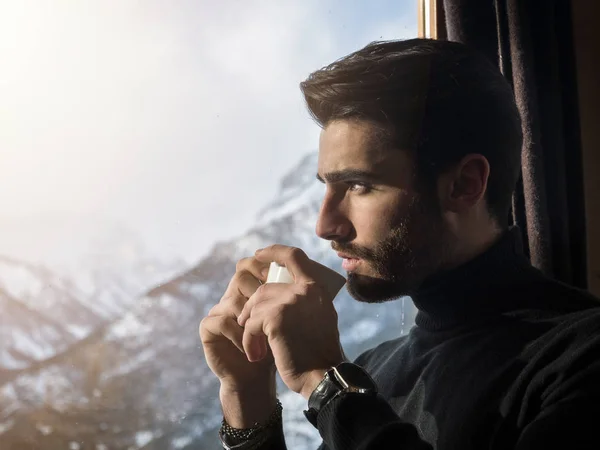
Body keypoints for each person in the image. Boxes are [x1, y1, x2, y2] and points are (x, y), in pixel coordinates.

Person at [199, 38, 600, 450]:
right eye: (326, 187)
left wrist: (326, 383)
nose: (325, 225)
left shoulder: (583, 359)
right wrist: (248, 398)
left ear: (464, 185)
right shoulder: (373, 371)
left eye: (359, 184)